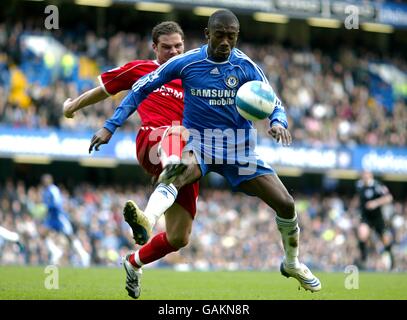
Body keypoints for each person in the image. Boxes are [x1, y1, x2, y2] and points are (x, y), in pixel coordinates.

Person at [93, 9, 321, 297]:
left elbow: (274, 102)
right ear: (207, 34)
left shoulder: (246, 66)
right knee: (175, 171)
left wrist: (277, 122)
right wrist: (110, 126)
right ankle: (146, 221)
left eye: (232, 36)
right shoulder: (186, 62)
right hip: (200, 145)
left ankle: (291, 263)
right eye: (220, 35)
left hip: (238, 150)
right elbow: (140, 88)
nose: (226, 42)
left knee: (286, 204)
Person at [65, 22, 199, 298]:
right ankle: (163, 182)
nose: (174, 52)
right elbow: (104, 89)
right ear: (154, 48)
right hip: (152, 141)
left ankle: (133, 262)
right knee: (174, 130)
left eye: (178, 46)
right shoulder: (141, 70)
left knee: (179, 237)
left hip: (187, 157)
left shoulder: (195, 74)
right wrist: (72, 106)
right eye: (167, 47)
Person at [41, 174, 90, 266]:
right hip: (51, 217)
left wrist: (47, 207)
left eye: (46, 180)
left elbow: (57, 203)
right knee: (43, 234)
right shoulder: (45, 191)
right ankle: (55, 251)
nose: (44, 182)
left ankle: (83, 254)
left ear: (50, 181)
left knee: (69, 236)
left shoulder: (53, 189)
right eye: (43, 180)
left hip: (59, 216)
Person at [355, 170, 394, 270]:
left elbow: (389, 197)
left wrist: (375, 203)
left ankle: (390, 259)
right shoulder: (359, 185)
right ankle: (363, 259)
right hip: (365, 217)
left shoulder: (377, 186)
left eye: (366, 175)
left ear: (370, 176)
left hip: (377, 218)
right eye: (363, 175)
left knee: (385, 239)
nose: (364, 176)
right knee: (362, 233)